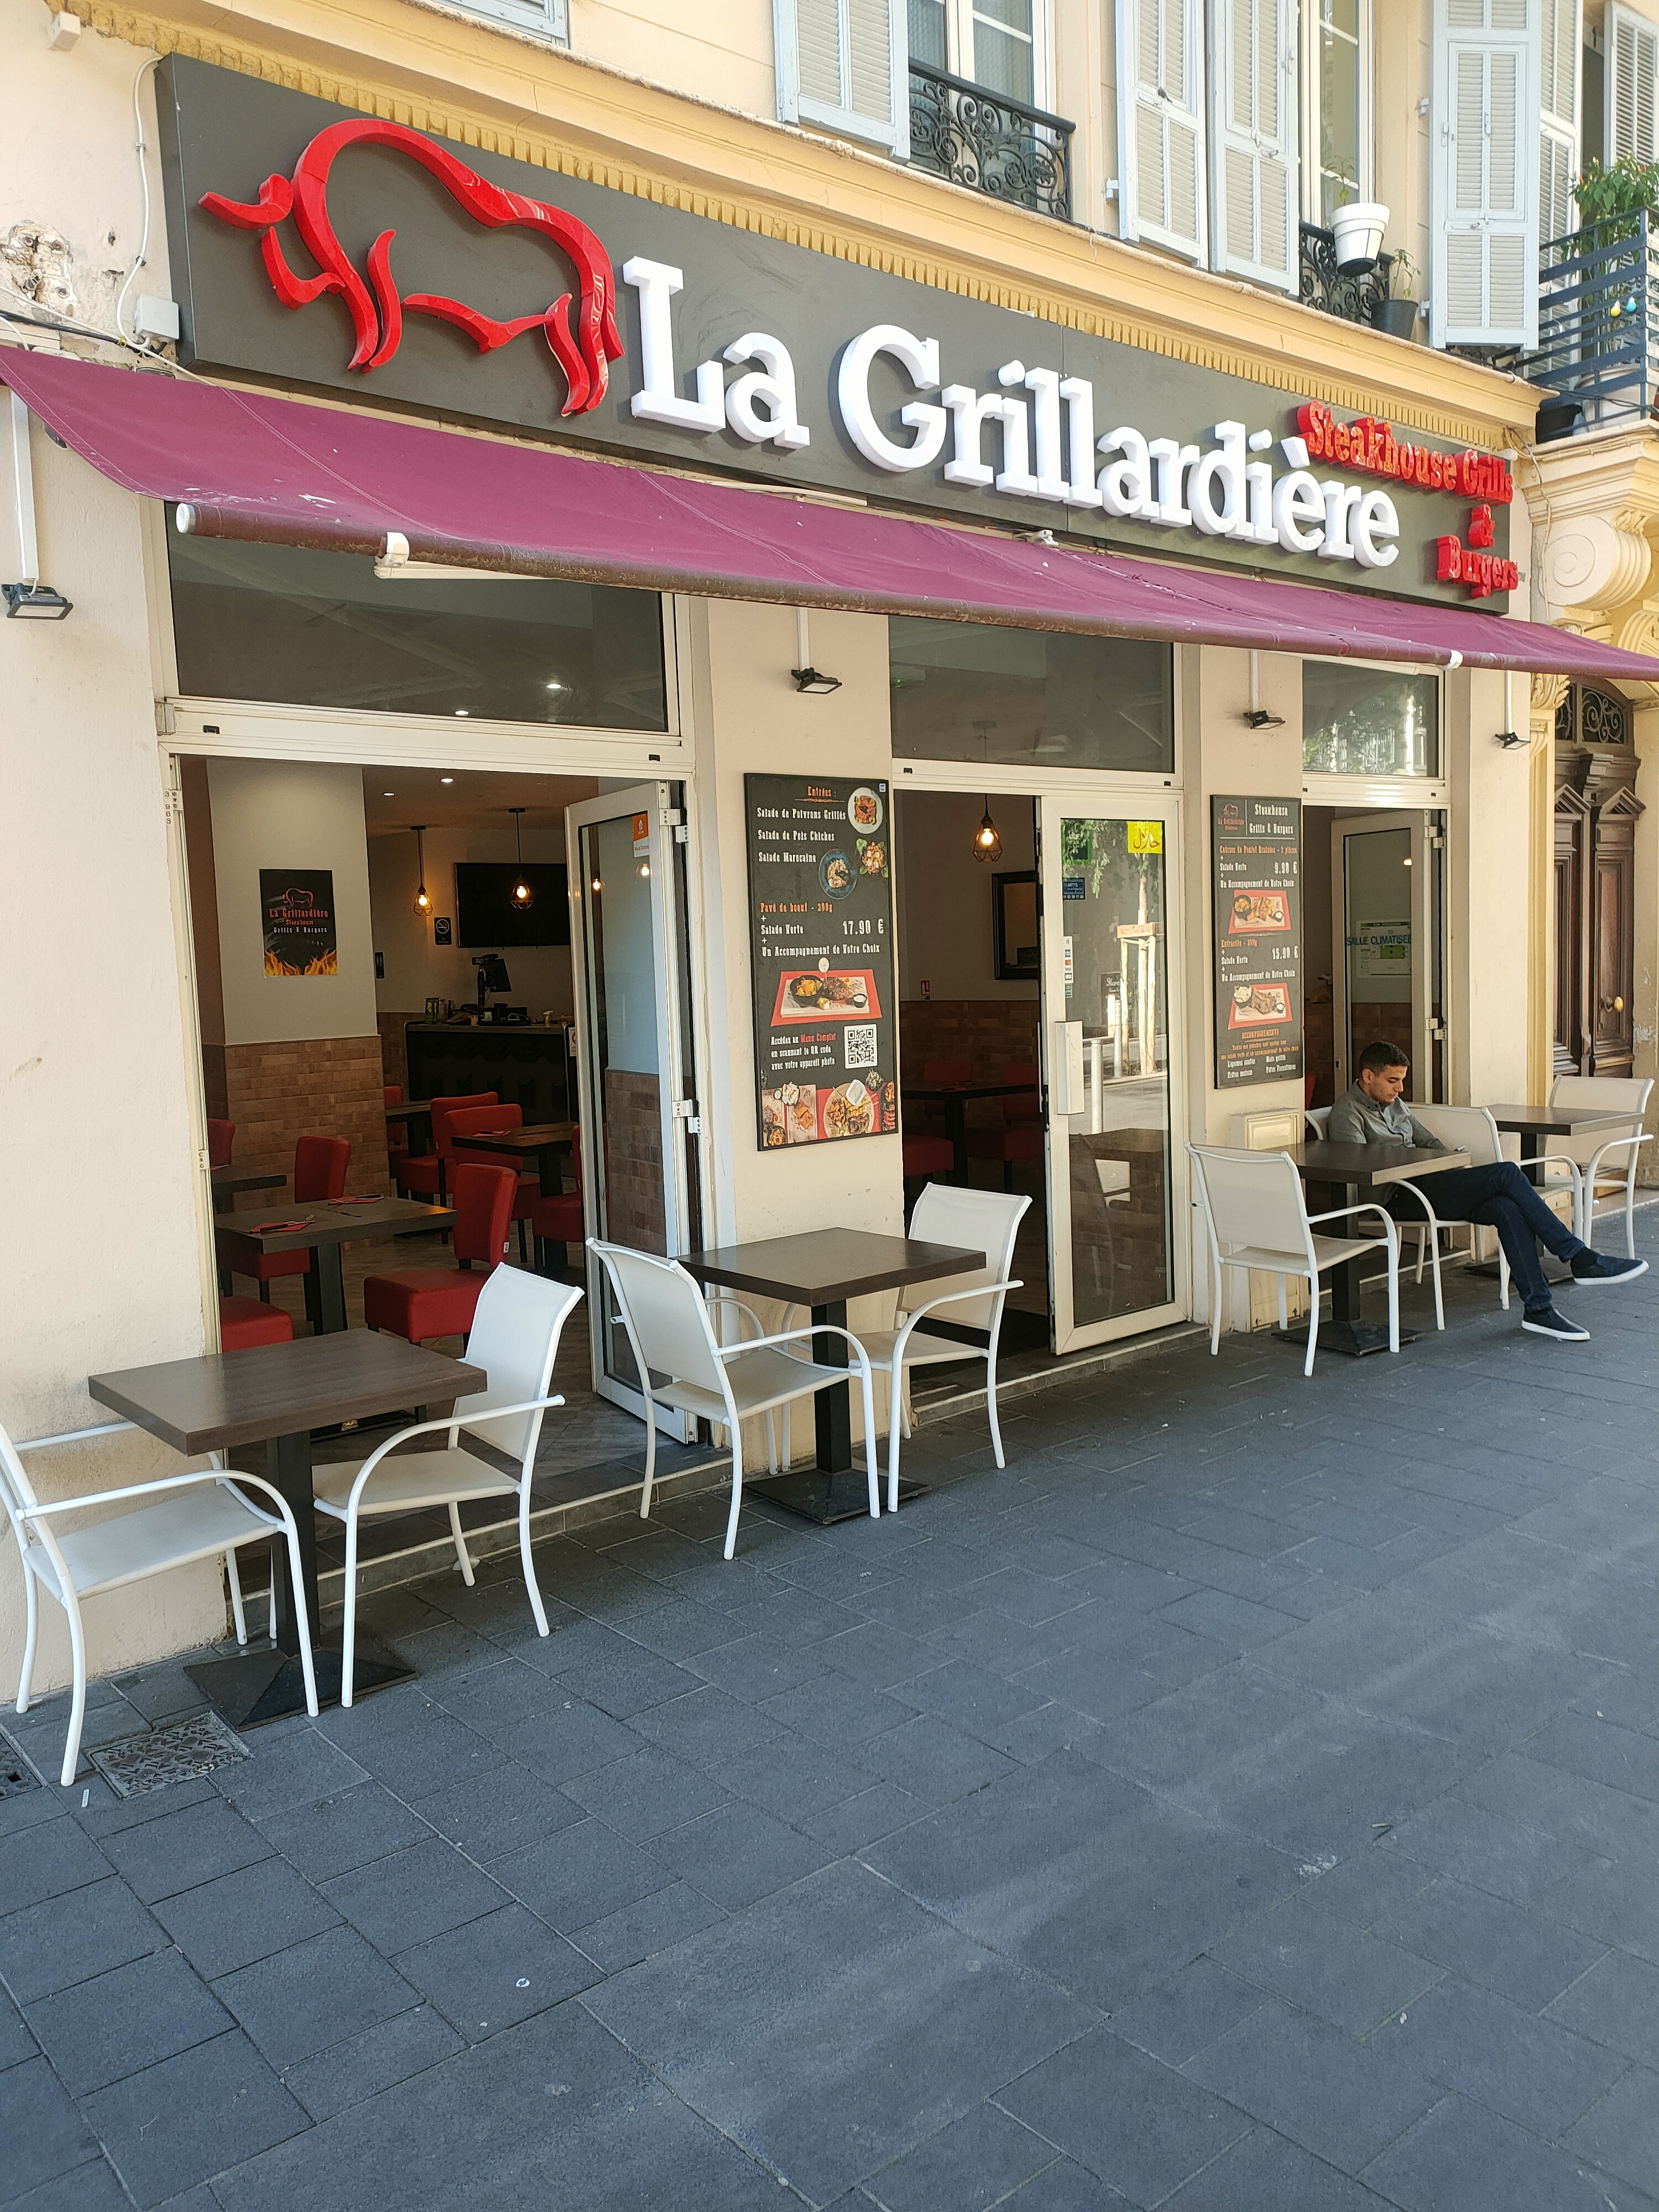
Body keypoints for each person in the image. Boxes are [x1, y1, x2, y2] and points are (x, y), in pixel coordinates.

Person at [1326, 1040, 1646, 1343]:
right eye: (1393, 1081)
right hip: (1395, 1197)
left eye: (1402, 1081)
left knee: (1506, 1208)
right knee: (1507, 1173)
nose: (1400, 1089)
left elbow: (1429, 1142)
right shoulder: (1347, 1114)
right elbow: (1361, 1169)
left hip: (1431, 1185)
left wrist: (1451, 1163)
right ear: (1368, 1076)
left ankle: (1539, 1309)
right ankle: (1578, 1256)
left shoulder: (1396, 1105)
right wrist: (1427, 1164)